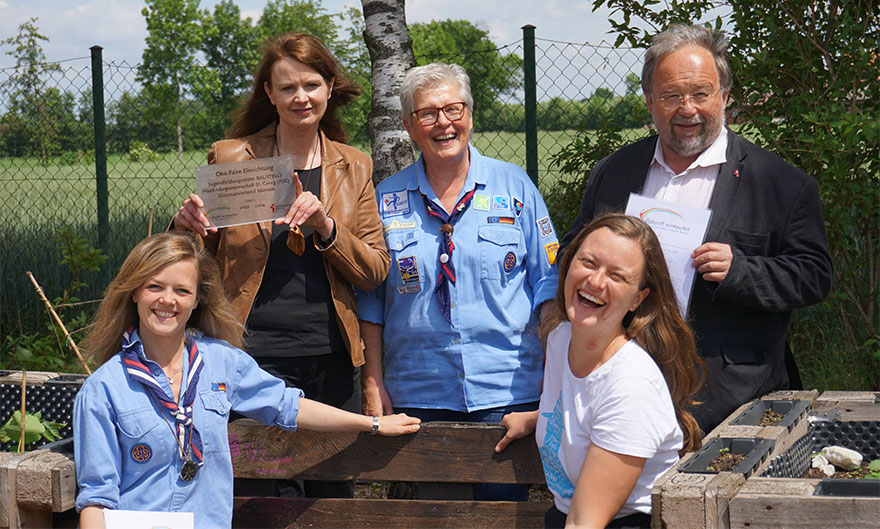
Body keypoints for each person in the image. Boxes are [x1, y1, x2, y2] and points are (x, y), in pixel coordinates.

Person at [560, 24, 832, 433]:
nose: (687, 108)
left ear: (724, 97)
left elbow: (814, 276)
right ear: (650, 102)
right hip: (620, 386)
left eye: (701, 94)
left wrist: (740, 271)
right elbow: (571, 254)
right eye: (671, 96)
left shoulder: (782, 184)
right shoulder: (614, 172)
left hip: (731, 402)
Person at [73, 232, 420, 528]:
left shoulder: (222, 362)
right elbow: (96, 498)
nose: (167, 300)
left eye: (181, 290)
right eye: (154, 287)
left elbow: (288, 407)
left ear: (196, 300)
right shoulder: (104, 390)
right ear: (134, 292)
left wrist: (372, 423)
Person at [172, 33, 388, 497]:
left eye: (311, 85)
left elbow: (374, 270)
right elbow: (194, 260)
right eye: (287, 87)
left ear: (329, 87)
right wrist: (184, 227)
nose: (300, 97)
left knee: (332, 498)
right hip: (252, 355)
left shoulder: (355, 166)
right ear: (269, 94)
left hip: (333, 359)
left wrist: (326, 228)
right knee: (263, 497)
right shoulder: (233, 156)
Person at [356, 63, 559, 500]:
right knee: (432, 518)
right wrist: (373, 382)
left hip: (507, 391)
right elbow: (370, 299)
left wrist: (554, 373)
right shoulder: (386, 199)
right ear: (409, 126)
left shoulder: (516, 187)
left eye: (453, 109)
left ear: (469, 113)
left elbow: (549, 285)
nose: (443, 123)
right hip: (419, 394)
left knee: (504, 519)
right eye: (428, 113)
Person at [496, 214, 703, 529]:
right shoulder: (560, 338)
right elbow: (583, 406)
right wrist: (537, 417)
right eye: (589, 262)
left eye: (617, 276)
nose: (595, 281)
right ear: (569, 263)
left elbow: (585, 522)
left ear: (638, 298)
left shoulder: (631, 386)